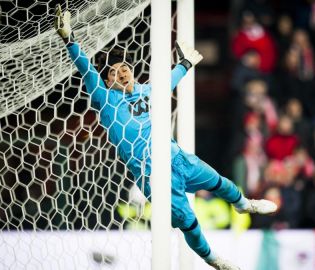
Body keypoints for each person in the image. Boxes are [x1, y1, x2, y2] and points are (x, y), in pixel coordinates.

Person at [54, 6, 277, 270]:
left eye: (124, 68)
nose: (121, 73)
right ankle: (212, 259)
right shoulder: (106, 100)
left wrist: (184, 64)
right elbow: (87, 69)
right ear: (107, 81)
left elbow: (169, 81)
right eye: (114, 73)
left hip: (178, 159)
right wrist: (69, 39)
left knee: (221, 183)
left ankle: (244, 204)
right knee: (188, 223)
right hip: (153, 177)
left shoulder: (148, 90)